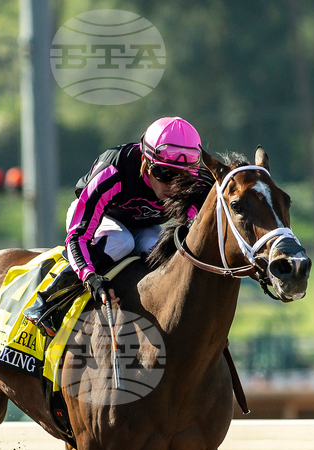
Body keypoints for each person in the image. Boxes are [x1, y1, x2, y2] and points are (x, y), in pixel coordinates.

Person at [24, 116, 203, 337]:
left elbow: (193, 239)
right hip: (97, 218)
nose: (174, 187)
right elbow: (77, 236)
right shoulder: (114, 171)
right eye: (165, 174)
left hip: (142, 225)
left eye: (183, 178)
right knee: (122, 241)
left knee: (160, 251)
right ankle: (47, 301)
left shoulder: (193, 188)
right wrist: (90, 277)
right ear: (146, 162)